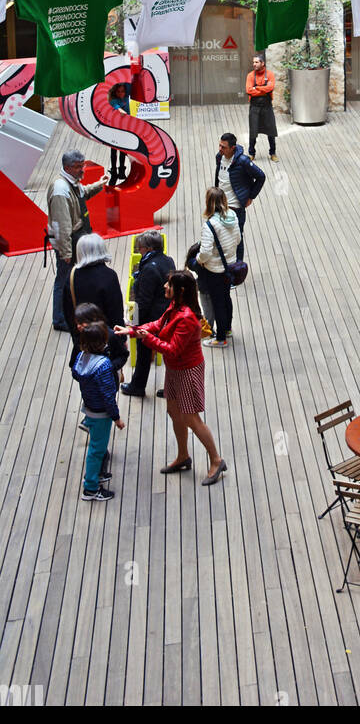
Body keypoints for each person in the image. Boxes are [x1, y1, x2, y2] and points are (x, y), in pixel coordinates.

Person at [121, 271, 227, 485]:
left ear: (179, 291)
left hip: (187, 370)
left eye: (168, 285)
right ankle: (183, 456)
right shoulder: (174, 308)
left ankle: (216, 460)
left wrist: (146, 338)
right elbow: (158, 324)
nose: (164, 287)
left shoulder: (186, 318)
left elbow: (172, 350)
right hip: (176, 370)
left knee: (191, 418)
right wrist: (132, 331)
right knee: (174, 411)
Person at [47, 150, 107, 332]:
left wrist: (99, 184)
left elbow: (83, 194)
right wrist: (66, 253)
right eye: (78, 167)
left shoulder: (72, 183)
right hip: (69, 242)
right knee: (63, 280)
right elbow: (62, 226)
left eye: (83, 165)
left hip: (77, 238)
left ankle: (72, 312)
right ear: (67, 167)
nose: (83, 169)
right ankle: (59, 319)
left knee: (72, 279)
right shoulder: (60, 190)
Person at [71, 323, 124, 502]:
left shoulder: (80, 358)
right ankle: (91, 487)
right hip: (102, 415)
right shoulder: (104, 366)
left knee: (96, 445)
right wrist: (116, 418)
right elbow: (108, 396)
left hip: (90, 408)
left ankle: (97, 476)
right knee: (97, 449)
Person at [121, 231, 175, 397]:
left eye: (141, 248)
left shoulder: (149, 269)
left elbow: (143, 301)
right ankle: (171, 388)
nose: (139, 250)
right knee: (169, 355)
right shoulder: (168, 260)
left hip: (152, 317)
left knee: (143, 352)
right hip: (167, 313)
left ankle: (137, 386)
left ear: (149, 248)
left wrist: (135, 322)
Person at [62, 233, 125, 349]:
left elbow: (68, 312)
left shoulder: (71, 276)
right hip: (106, 339)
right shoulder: (109, 276)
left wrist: (76, 338)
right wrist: (121, 339)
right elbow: (116, 311)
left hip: (83, 339)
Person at [197, 187, 241, 347]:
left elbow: (206, 252)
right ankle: (228, 329)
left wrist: (198, 259)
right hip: (230, 266)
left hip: (215, 269)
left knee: (218, 303)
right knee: (226, 298)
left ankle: (220, 338)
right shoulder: (233, 217)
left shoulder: (210, 225)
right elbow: (237, 239)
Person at [214, 132, 265, 261]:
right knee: (219, 236)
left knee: (237, 238)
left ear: (233, 148)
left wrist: (251, 196)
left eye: (223, 147)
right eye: (219, 146)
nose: (220, 149)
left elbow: (261, 177)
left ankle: (239, 266)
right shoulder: (219, 157)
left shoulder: (243, 161)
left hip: (235, 207)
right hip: (220, 205)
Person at [246, 54, 278, 162]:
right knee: (253, 131)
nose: (254, 64)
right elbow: (249, 90)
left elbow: (271, 87)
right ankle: (251, 153)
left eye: (256, 62)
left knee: (271, 131)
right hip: (254, 108)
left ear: (262, 63)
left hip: (267, 107)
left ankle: (272, 153)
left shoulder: (270, 74)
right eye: (253, 62)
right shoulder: (250, 76)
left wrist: (257, 88)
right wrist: (264, 90)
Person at [107, 82, 130, 187]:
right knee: (113, 151)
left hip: (124, 128)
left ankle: (121, 170)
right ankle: (114, 171)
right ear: (115, 92)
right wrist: (120, 110)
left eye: (123, 91)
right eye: (119, 91)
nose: (121, 93)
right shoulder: (113, 101)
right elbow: (115, 106)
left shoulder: (126, 98)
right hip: (114, 128)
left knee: (122, 151)